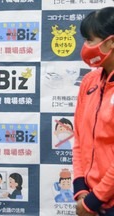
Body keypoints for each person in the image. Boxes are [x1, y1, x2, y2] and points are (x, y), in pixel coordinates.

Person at [73, 7, 114, 216]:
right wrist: (80, 189)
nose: (85, 47)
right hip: (88, 199)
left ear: (111, 42)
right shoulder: (88, 81)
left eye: (90, 40)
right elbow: (79, 139)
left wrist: (94, 200)